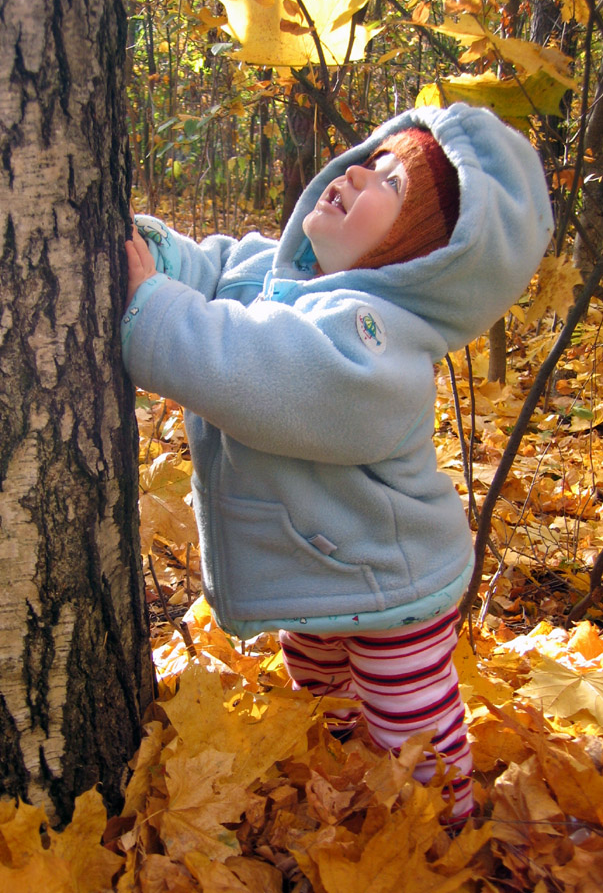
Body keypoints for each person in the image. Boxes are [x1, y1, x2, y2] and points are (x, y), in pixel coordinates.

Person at [122, 103, 553, 824]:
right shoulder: (279, 271)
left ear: (420, 255)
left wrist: (152, 309)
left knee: (411, 733)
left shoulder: (373, 340)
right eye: (368, 157)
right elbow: (217, 266)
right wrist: (157, 258)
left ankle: (435, 840)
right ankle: (340, 789)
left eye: (390, 179)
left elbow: (259, 369)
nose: (354, 171)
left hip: (391, 587)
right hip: (320, 567)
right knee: (320, 695)